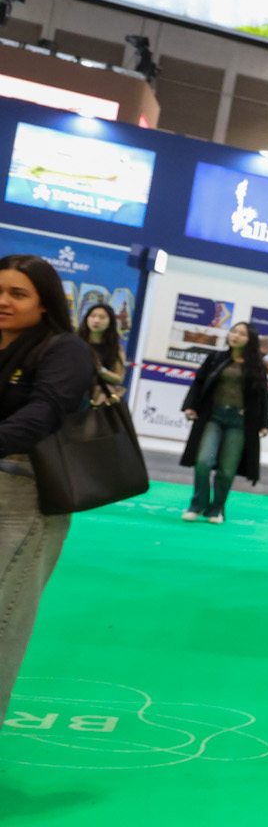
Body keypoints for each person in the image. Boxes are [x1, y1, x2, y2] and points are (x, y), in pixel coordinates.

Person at [0, 255, 93, 721]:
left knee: (3, 622)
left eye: (17, 294)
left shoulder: (65, 349)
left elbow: (43, 414)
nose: (3, 301)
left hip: (24, 496)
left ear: (45, 303)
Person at [179, 320, 268, 524]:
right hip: (213, 417)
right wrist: (189, 406)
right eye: (233, 331)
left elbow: (263, 396)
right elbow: (199, 382)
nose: (235, 336)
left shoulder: (257, 367)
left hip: (239, 422)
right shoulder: (216, 358)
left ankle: (216, 508)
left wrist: (265, 423)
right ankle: (197, 504)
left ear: (250, 340)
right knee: (203, 461)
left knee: (227, 470)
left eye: (242, 334)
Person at [75, 302, 125, 405]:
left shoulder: (115, 348)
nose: (96, 320)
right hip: (72, 392)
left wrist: (101, 370)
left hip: (96, 398)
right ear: (86, 319)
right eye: (93, 316)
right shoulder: (75, 342)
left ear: (110, 322)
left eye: (102, 317)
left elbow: (119, 378)